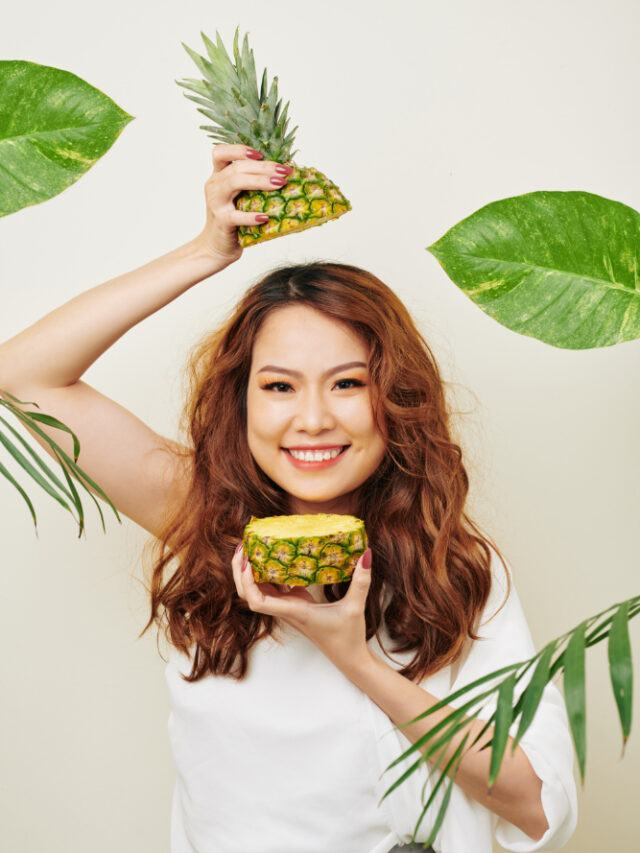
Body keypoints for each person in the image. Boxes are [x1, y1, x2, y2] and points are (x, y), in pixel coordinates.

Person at [0, 144, 578, 853]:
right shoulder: (206, 519)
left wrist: (357, 656)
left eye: (346, 383)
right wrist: (204, 252)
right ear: (239, 402)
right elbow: (23, 377)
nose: (311, 419)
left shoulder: (452, 568)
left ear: (392, 400)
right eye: (278, 386)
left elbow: (538, 804)